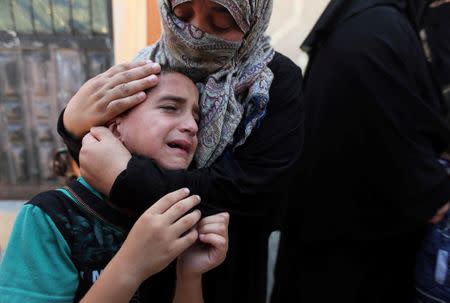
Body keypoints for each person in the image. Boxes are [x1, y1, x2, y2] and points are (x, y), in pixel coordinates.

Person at [58, 0, 304, 302]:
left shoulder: (275, 82)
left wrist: (129, 179)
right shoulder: (143, 70)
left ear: (252, 19)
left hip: (226, 276)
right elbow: (98, 164)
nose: (196, 33)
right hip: (130, 277)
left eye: (221, 21)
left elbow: (256, 194)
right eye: (183, 15)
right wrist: (72, 126)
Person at [271, 0, 450, 302]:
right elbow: (422, 193)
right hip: (346, 264)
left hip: (335, 249)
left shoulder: (375, 19)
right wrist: (433, 188)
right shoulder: (373, 33)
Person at [0, 68, 230, 303]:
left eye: (197, 118)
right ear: (115, 129)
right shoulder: (51, 217)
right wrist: (133, 263)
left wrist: (188, 275)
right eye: (170, 108)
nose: (192, 126)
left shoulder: (181, 217)